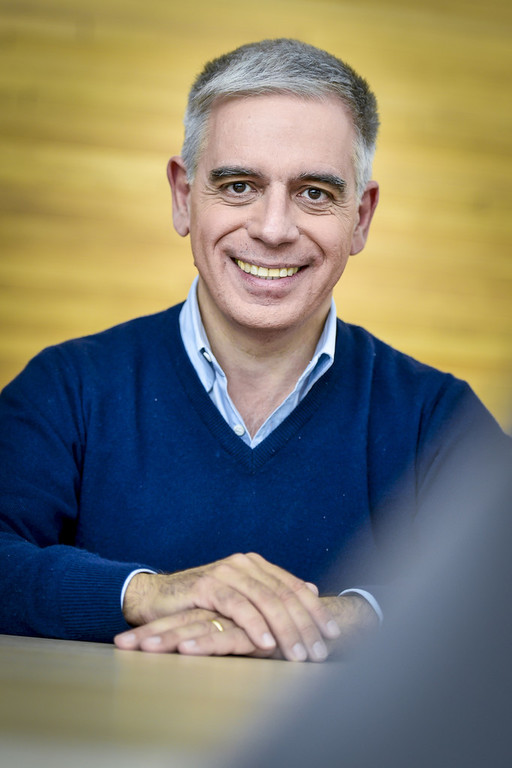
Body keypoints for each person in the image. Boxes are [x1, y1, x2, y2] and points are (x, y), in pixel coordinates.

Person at [0, 39, 508, 663]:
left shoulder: (439, 417)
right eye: (239, 186)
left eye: (314, 193)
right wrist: (145, 593)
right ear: (183, 197)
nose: (273, 229)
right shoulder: (66, 389)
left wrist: (336, 620)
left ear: (361, 217)